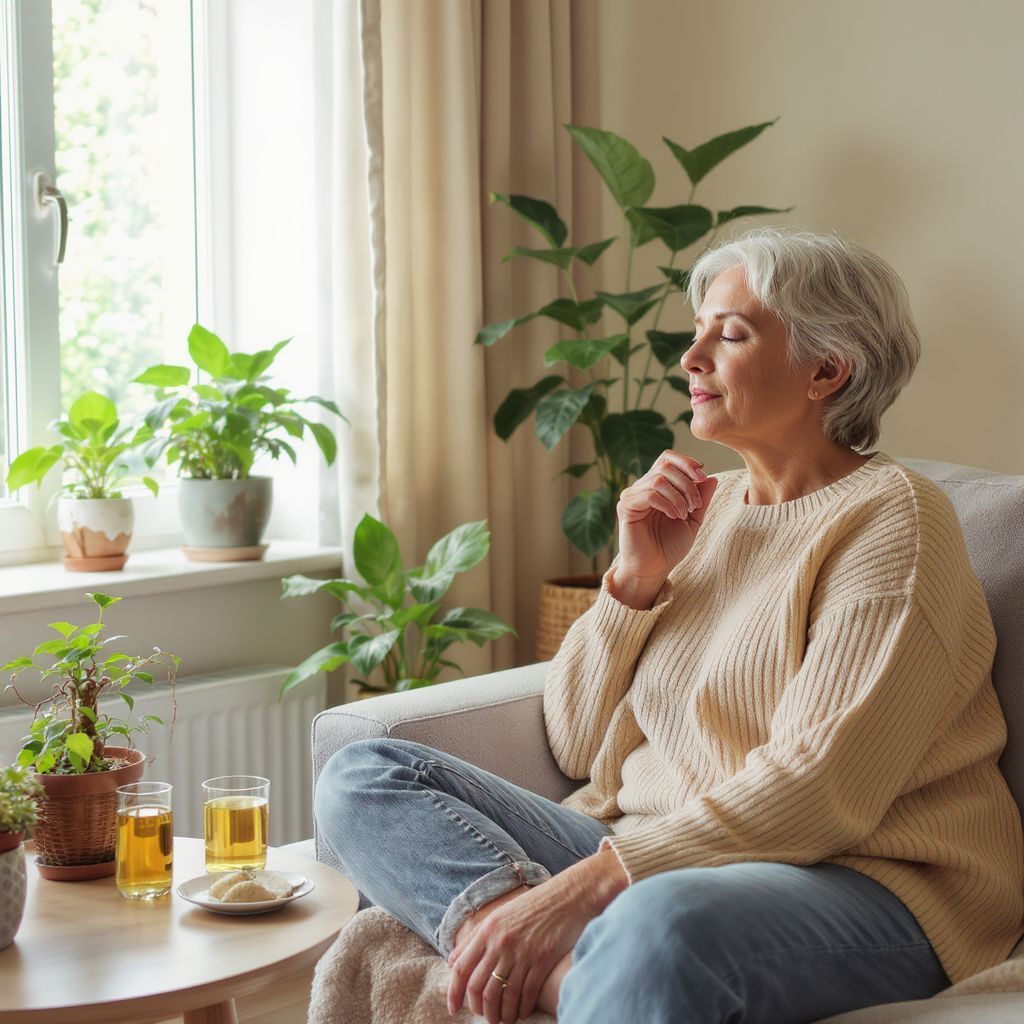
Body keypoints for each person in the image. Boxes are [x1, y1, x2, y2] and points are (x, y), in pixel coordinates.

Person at [314, 228, 1024, 1024]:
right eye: (697, 334)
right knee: (363, 775)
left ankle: (563, 957)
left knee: (658, 923)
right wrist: (631, 583)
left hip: (869, 880)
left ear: (828, 370)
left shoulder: (894, 522)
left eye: (731, 335)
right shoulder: (700, 510)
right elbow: (576, 744)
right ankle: (541, 967)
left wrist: (584, 889)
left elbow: (822, 792)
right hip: (656, 851)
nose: (690, 358)